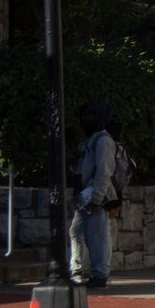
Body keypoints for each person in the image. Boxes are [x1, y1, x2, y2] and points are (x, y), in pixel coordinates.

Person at [69, 102, 118, 289]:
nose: (86, 119)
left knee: (97, 235)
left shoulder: (103, 140)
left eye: (91, 115)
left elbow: (104, 171)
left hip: (95, 195)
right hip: (84, 195)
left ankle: (100, 275)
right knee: (76, 231)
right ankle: (77, 269)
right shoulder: (90, 139)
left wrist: (97, 197)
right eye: (84, 115)